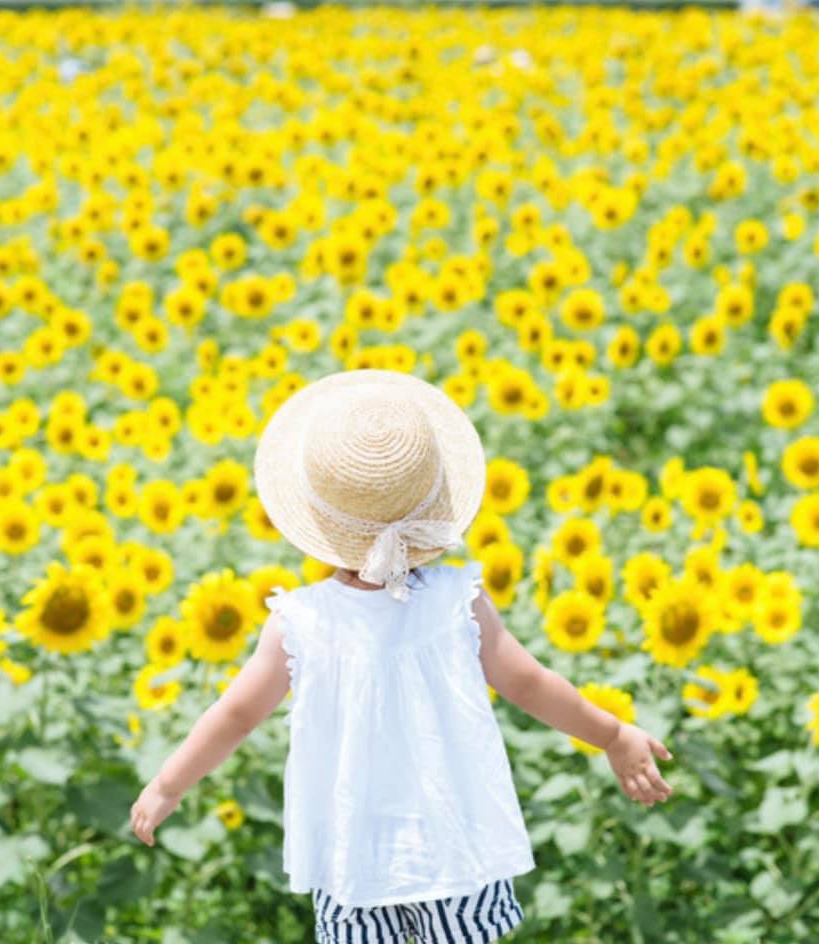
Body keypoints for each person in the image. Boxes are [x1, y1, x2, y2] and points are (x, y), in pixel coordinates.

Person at [130, 368, 675, 944]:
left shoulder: (301, 622)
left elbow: (236, 714)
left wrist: (168, 784)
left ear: (317, 524)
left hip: (352, 856)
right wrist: (612, 735)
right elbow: (531, 685)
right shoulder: (457, 601)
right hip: (455, 842)